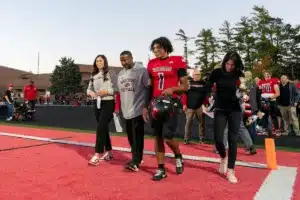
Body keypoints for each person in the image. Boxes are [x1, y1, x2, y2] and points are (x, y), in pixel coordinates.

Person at [143, 36, 188, 181]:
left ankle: (178, 154)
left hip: (171, 103)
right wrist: (145, 106)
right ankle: (161, 168)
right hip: (156, 103)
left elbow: (185, 86)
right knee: (157, 137)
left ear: (166, 47)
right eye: (154, 48)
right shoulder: (151, 64)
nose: (156, 51)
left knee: (168, 136)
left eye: (159, 48)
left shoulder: (177, 61)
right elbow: (149, 87)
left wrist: (173, 89)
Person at [206, 51, 245, 183]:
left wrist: (242, 93)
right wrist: (205, 100)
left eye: (232, 65)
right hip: (220, 108)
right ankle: (223, 157)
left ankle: (231, 170)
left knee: (232, 139)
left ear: (236, 65)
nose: (229, 67)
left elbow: (242, 88)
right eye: (228, 64)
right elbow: (208, 86)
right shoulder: (217, 72)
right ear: (224, 62)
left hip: (235, 109)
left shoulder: (239, 74)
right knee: (218, 139)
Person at [116, 50, 148, 171]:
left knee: (137, 137)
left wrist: (146, 106)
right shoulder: (120, 74)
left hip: (138, 109)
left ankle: (135, 161)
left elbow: (148, 87)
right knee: (131, 137)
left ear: (131, 58)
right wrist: (118, 108)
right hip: (126, 110)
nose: (123, 62)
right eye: (121, 60)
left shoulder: (141, 70)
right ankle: (137, 158)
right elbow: (119, 93)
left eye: (125, 59)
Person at [87, 55, 118, 166]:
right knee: (103, 128)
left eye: (101, 60)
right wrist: (90, 93)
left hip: (108, 102)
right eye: (97, 61)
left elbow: (116, 88)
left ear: (105, 61)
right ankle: (109, 152)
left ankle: (97, 154)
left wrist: (107, 91)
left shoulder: (111, 72)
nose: (99, 62)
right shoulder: (93, 74)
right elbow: (89, 89)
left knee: (100, 127)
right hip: (97, 102)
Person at [183, 69, 208, 144]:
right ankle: (186, 139)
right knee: (188, 123)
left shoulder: (204, 83)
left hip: (200, 106)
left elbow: (205, 95)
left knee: (202, 123)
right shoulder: (189, 83)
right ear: (192, 75)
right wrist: (184, 104)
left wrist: (205, 104)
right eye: (195, 74)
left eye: (198, 74)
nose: (197, 76)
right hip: (189, 107)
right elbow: (184, 94)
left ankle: (202, 139)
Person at [257, 70, 280, 136]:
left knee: (273, 115)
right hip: (263, 100)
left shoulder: (274, 80)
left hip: (272, 100)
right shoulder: (261, 81)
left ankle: (276, 130)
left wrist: (269, 98)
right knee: (263, 115)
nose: (266, 75)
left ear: (270, 74)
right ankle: (264, 129)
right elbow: (259, 91)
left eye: (268, 74)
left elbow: (278, 93)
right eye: (265, 74)